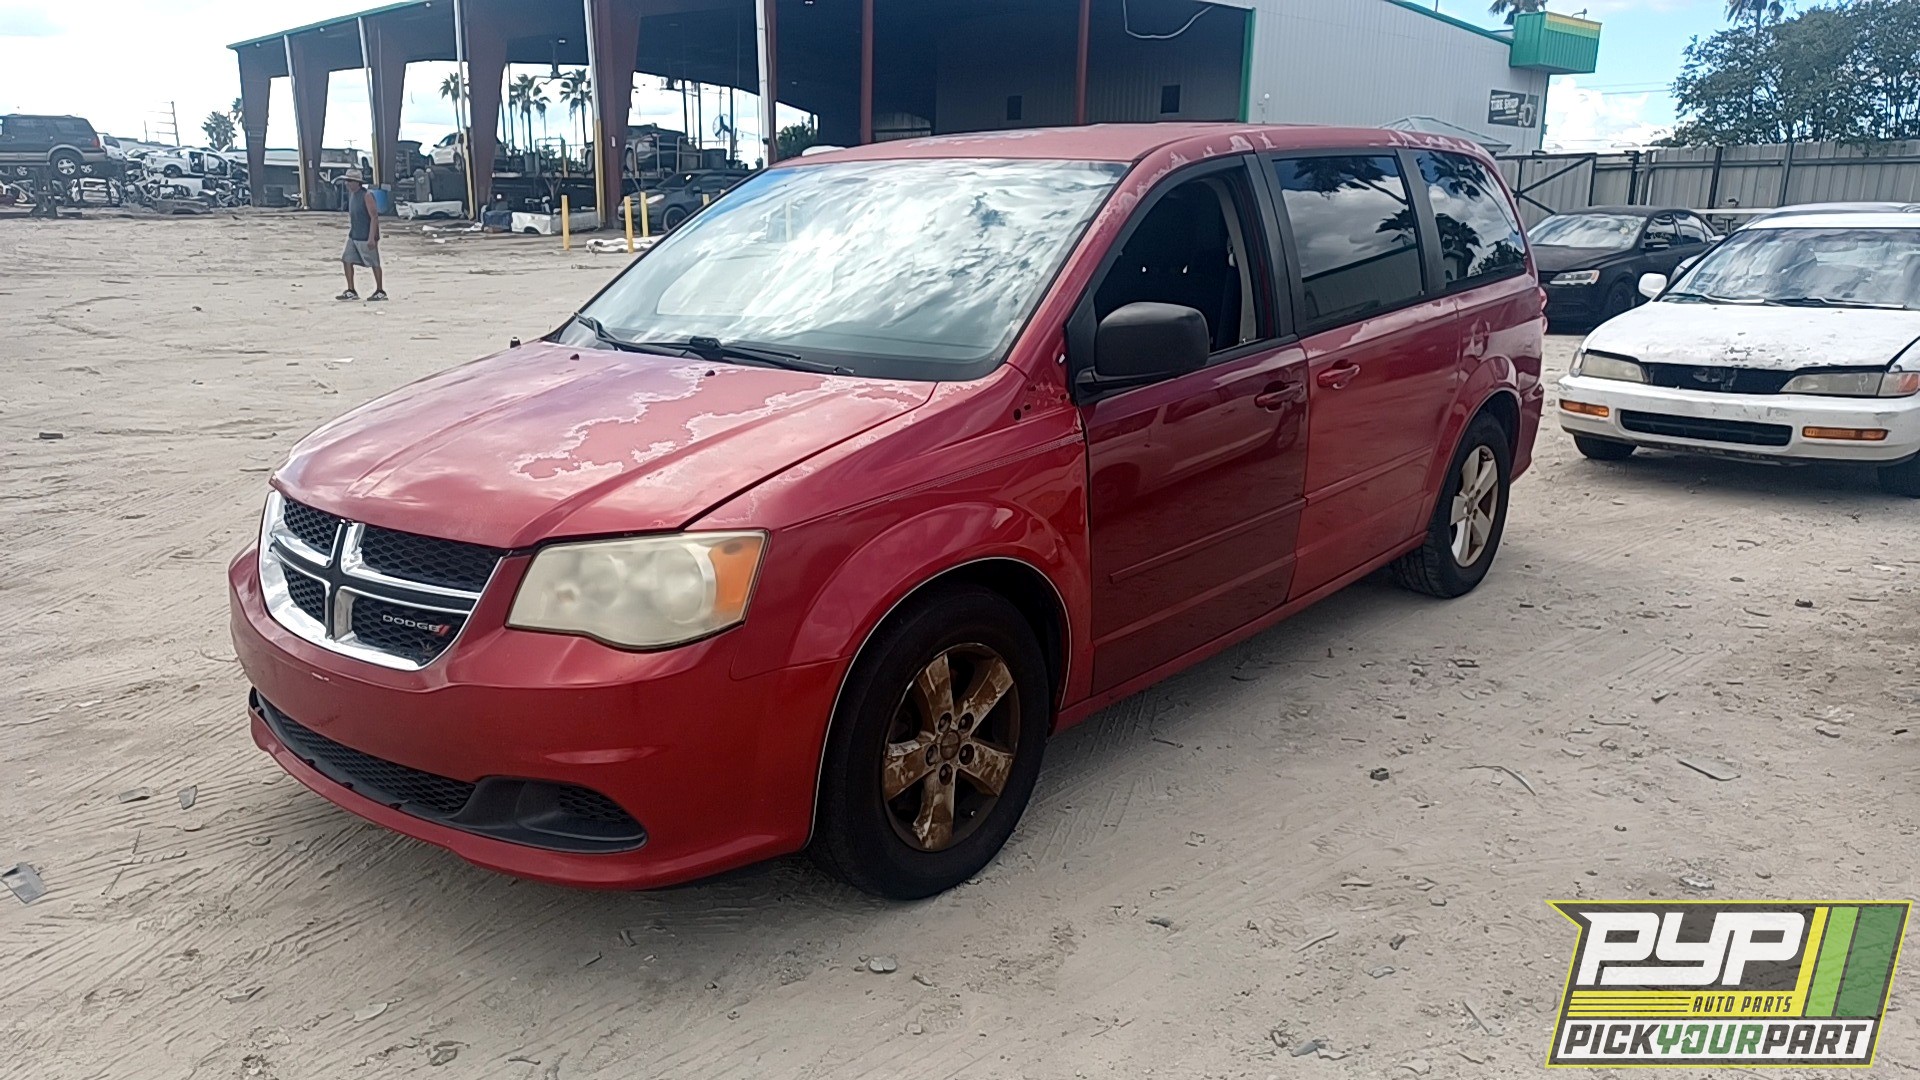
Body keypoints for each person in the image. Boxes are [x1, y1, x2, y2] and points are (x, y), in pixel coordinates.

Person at [337, 170, 387, 301]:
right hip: (354, 234)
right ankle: (351, 290)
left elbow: (374, 217)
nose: (347, 184)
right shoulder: (352, 195)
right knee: (346, 259)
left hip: (366, 235)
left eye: (350, 181)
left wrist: (372, 237)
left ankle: (380, 290)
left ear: (357, 183)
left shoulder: (367, 196)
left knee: (374, 263)